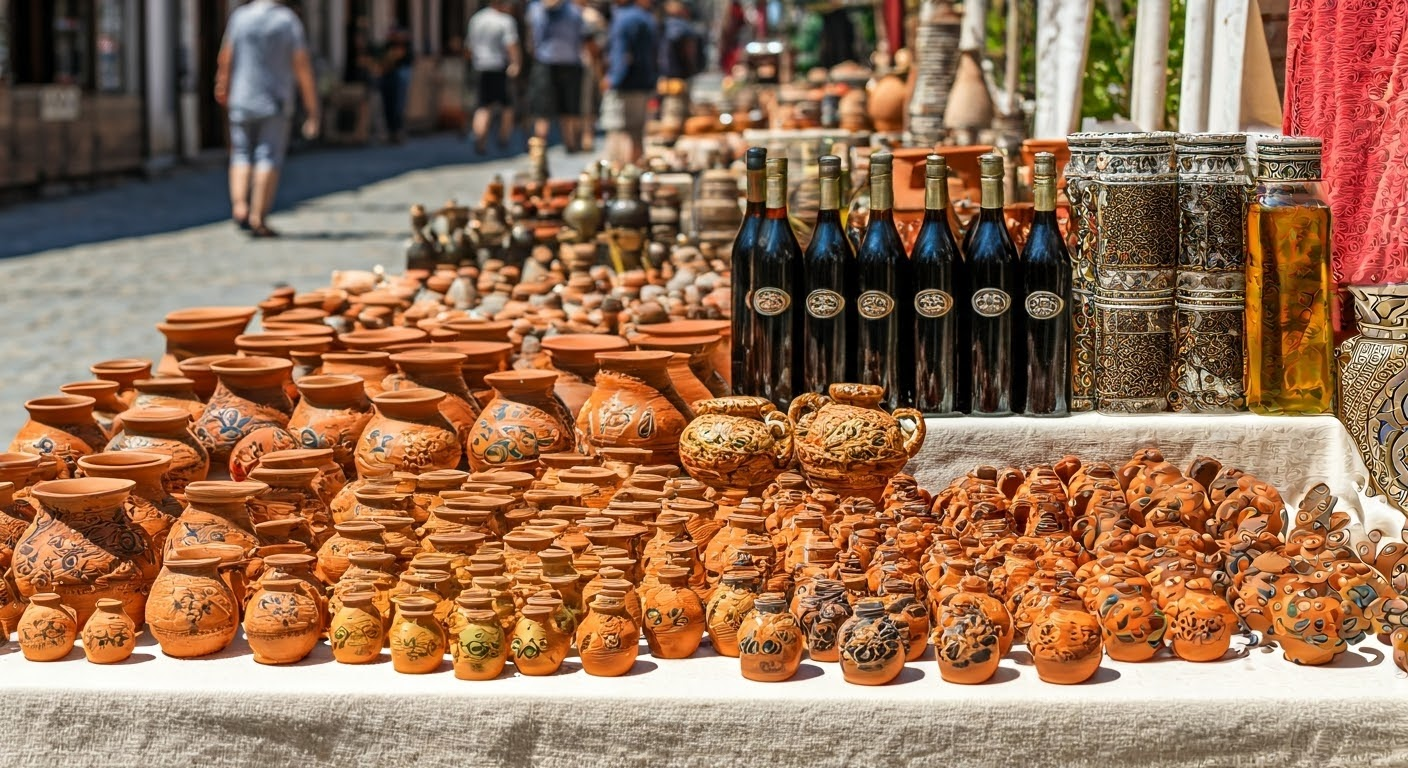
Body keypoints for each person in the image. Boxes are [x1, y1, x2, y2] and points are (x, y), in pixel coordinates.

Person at [214, 0, 319, 238]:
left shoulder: (240, 17)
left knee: (241, 153)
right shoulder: (287, 20)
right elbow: (301, 64)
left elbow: (226, 56)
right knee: (268, 156)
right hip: (275, 101)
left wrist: (222, 86)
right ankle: (257, 217)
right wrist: (312, 108)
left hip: (241, 98)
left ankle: (240, 205)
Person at [526, 0, 594, 152]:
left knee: (567, 107)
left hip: (561, 62)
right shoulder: (538, 9)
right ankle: (541, 147)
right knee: (545, 109)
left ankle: (568, 143)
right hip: (552, 62)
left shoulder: (571, 11)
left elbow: (532, 38)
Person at [601, 0, 658, 166]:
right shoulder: (645, 17)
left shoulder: (623, 19)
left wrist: (613, 80)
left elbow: (622, 55)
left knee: (619, 132)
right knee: (636, 132)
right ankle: (635, 174)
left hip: (625, 85)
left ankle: (623, 180)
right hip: (643, 83)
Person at [467, 0, 523, 154]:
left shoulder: (477, 19)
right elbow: (511, 45)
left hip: (480, 66)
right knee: (507, 106)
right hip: (499, 67)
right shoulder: (506, 21)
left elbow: (470, 46)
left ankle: (480, 141)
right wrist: (516, 64)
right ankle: (503, 138)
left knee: (483, 106)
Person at [379, 27, 414, 144]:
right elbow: (383, 63)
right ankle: (391, 131)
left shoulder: (405, 46)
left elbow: (407, 60)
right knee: (388, 106)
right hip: (388, 78)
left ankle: (397, 131)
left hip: (398, 77)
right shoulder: (387, 46)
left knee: (398, 106)